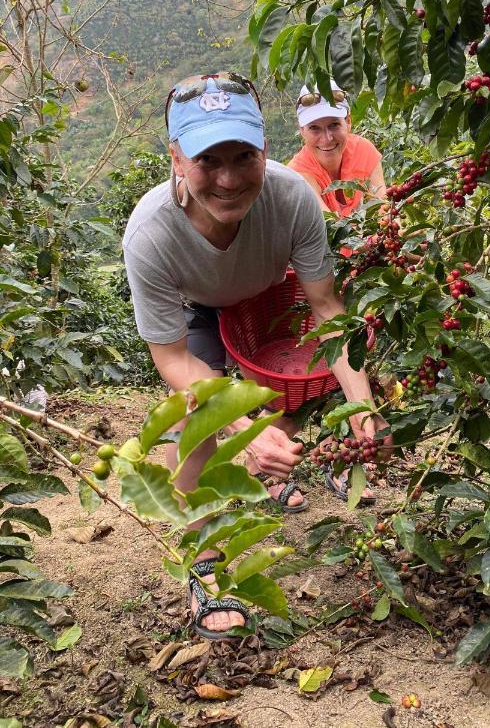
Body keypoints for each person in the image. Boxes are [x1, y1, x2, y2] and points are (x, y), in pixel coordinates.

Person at [122, 72, 388, 640]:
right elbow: (172, 360)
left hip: (272, 297)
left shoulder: (293, 197)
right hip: (199, 311)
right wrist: (241, 423)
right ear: (175, 157)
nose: (227, 178)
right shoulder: (152, 234)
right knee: (198, 424)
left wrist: (362, 404)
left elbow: (325, 308)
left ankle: (290, 464)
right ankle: (205, 559)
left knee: (309, 377)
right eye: (206, 160)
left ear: (265, 150)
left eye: (243, 156)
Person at [287, 82, 386, 216]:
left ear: (348, 122)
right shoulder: (297, 176)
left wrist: (396, 231)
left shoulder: (364, 151)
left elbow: (383, 210)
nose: (327, 138)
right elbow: (331, 230)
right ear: (302, 131)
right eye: (314, 128)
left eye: (334, 125)